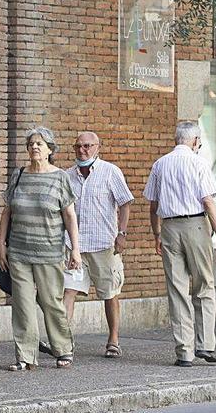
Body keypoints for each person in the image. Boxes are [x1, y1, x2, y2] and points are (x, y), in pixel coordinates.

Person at [0, 126, 82, 371]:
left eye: (40, 144)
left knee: (50, 302)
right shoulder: (19, 175)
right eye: (32, 143)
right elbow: (7, 211)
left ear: (50, 150)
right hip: (19, 252)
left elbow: (70, 215)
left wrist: (75, 249)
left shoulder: (60, 177)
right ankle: (25, 356)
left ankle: (63, 348)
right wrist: (1, 244)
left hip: (49, 252)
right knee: (22, 305)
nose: (35, 147)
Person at [144, 121, 216, 367]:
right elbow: (209, 202)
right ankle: (205, 345)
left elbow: (153, 206)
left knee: (177, 289)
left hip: (169, 227)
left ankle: (184, 352)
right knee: (204, 286)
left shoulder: (160, 164)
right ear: (195, 141)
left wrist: (157, 234)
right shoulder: (198, 162)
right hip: (196, 226)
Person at [62, 132, 134, 358]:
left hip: (104, 244)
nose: (81, 150)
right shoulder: (66, 176)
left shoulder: (110, 172)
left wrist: (121, 234)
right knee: (69, 291)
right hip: (74, 246)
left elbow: (125, 204)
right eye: (78, 147)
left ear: (97, 147)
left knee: (109, 293)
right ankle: (63, 341)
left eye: (86, 146)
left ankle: (113, 339)